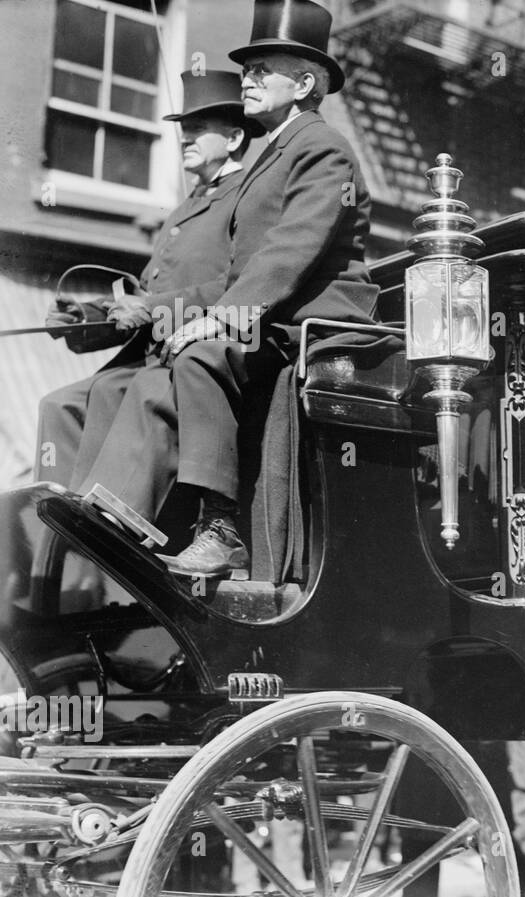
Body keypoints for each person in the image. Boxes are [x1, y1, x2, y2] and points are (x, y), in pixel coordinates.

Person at [76, 0, 381, 577]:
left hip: (318, 321)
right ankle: (116, 514)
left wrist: (220, 319)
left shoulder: (324, 147)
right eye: (247, 68)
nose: (248, 77)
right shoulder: (276, 152)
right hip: (275, 314)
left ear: (305, 83)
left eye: (263, 69)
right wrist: (167, 312)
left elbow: (291, 251)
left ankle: (220, 529)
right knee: (161, 361)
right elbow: (237, 272)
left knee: (201, 355)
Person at [34, 70, 261, 490]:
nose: (185, 139)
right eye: (183, 130)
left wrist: (152, 309)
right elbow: (145, 294)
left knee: (108, 395)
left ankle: (94, 533)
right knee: (58, 405)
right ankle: (47, 525)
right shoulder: (186, 206)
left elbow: (240, 285)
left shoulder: (248, 195)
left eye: (197, 129)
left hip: (195, 358)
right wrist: (84, 316)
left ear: (233, 138)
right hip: (149, 355)